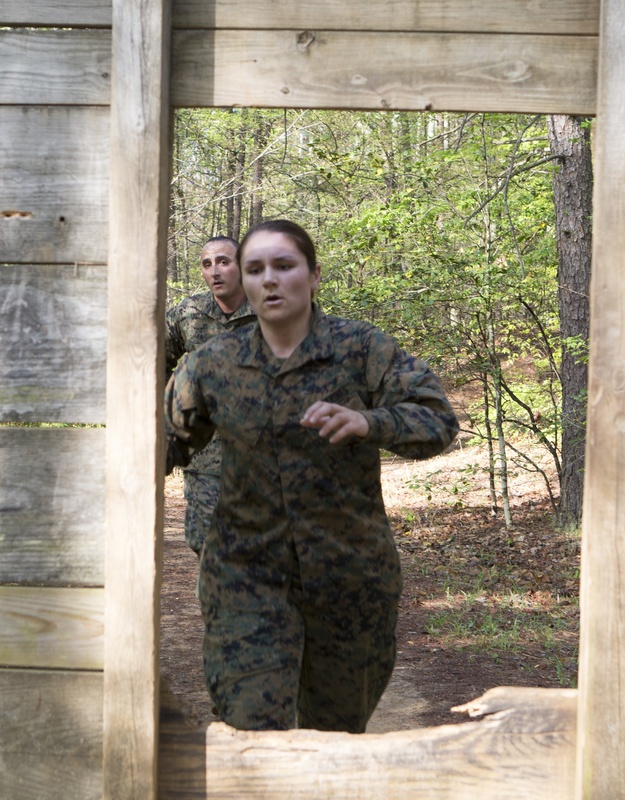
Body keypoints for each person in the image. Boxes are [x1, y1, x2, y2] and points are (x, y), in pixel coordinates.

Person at [164, 219, 458, 732]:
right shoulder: (212, 363)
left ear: (314, 274)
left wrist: (369, 421)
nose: (269, 280)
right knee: (250, 732)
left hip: (348, 576)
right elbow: (162, 443)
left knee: (335, 737)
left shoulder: (360, 349)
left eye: (284, 265)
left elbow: (438, 419)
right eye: (255, 269)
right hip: (245, 576)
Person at [165, 236, 256, 554]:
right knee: (206, 543)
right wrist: (166, 422)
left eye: (223, 262)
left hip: (264, 456)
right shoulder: (189, 312)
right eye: (207, 264)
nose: (215, 271)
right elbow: (153, 363)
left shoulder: (269, 309)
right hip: (205, 456)